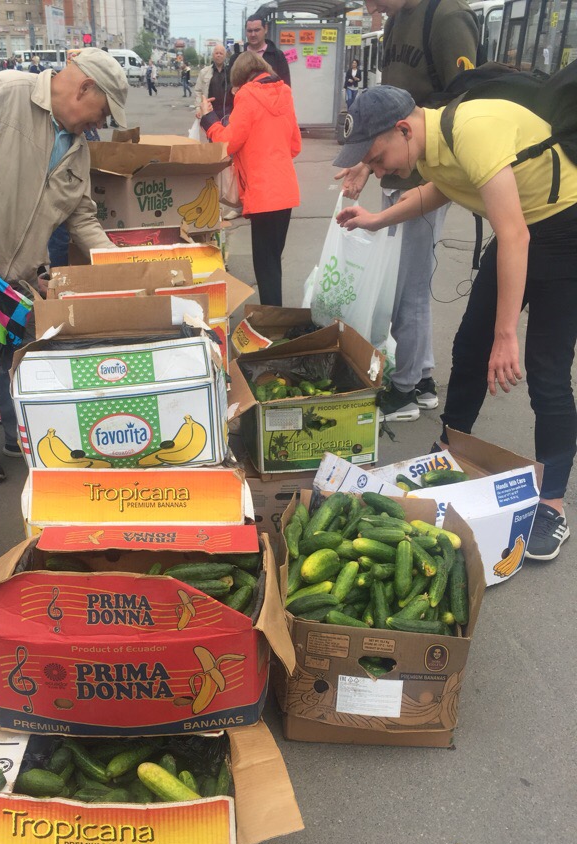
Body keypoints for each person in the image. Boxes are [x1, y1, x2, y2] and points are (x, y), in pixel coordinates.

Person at [334, 85, 577, 561]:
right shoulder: (431, 145)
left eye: (378, 158)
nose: (381, 170)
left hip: (563, 227)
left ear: (403, 129)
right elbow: (439, 189)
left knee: (545, 371)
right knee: (468, 349)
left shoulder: (471, 132)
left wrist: (506, 335)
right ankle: (448, 449)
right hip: (525, 228)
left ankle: (552, 503)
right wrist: (377, 220)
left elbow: (514, 236)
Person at [0, 49, 127, 484]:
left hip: (19, 274)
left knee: (21, 357)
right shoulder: (7, 92)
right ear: (85, 87)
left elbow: (82, 216)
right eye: (102, 112)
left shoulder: (77, 148)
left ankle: (22, 435)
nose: (99, 124)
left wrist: (119, 264)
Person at [334, 0, 478, 422]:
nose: (369, 5)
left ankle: (406, 390)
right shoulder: (396, 21)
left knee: (407, 289)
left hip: (425, 170)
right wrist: (366, 161)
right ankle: (424, 378)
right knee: (405, 283)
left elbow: (466, 100)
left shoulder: (447, 18)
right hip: (398, 165)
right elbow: (386, 105)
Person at [200, 51, 300, 306]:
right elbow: (295, 146)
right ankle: (274, 320)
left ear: (240, 78)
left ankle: (271, 326)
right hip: (286, 190)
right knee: (272, 262)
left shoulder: (247, 95)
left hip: (263, 193)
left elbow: (228, 142)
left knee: (265, 267)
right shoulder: (284, 93)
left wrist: (208, 119)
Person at [229, 15, 290, 86]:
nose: (253, 34)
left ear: (266, 29)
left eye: (257, 30)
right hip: (243, 97)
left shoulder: (277, 56)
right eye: (249, 31)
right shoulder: (236, 57)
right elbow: (229, 86)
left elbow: (285, 85)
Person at [194, 45, 232, 121]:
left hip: (228, 113)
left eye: (221, 53)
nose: (218, 55)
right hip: (210, 111)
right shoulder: (204, 72)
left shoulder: (232, 72)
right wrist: (198, 107)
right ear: (213, 55)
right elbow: (198, 91)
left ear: (225, 56)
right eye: (216, 53)